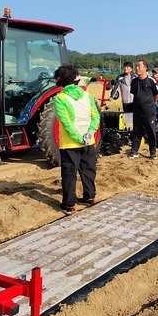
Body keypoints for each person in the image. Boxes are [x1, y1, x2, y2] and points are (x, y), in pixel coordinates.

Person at [53, 64, 101, 215]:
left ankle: (69, 205)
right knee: (88, 170)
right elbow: (95, 116)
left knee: (69, 173)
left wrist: (78, 138)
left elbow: (66, 122)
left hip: (70, 143)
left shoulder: (60, 98)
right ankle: (90, 197)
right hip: (89, 141)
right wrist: (90, 133)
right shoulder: (87, 96)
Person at [128, 59, 158, 160]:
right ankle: (134, 151)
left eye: (139, 66)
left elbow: (157, 95)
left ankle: (152, 152)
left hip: (148, 111)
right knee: (137, 132)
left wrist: (149, 103)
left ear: (145, 68)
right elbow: (134, 94)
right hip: (137, 111)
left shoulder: (151, 81)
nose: (137, 68)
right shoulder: (134, 81)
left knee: (151, 132)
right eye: (136, 66)